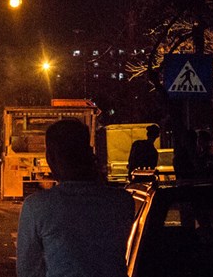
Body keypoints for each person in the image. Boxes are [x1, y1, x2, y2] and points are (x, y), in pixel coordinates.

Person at [17, 119, 135, 277]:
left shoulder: (36, 207)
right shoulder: (122, 201)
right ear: (89, 152)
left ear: (51, 158)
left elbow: (28, 270)